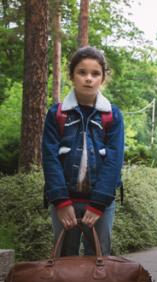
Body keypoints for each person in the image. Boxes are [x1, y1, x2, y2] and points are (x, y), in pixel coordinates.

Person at [42, 46, 124, 256]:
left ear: (103, 78)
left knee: (98, 259)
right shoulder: (56, 114)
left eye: (95, 73)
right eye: (82, 72)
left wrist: (98, 204)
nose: (89, 78)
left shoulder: (113, 116)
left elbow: (114, 162)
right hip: (65, 200)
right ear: (71, 76)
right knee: (64, 260)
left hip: (101, 203)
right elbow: (50, 159)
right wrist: (60, 201)